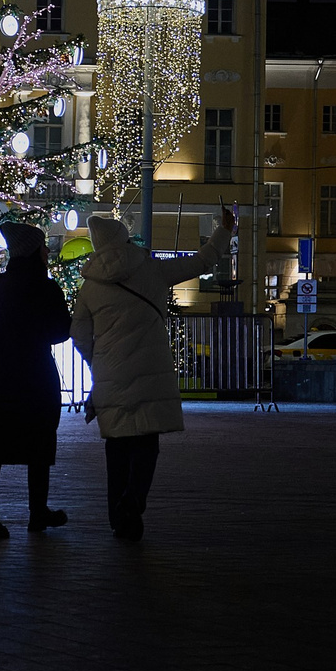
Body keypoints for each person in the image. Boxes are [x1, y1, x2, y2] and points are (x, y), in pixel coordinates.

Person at [70, 205, 237, 540]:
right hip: (151, 371)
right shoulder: (152, 269)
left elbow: (79, 335)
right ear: (124, 237)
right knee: (146, 444)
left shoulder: (90, 287)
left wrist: (97, 360)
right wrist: (224, 230)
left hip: (110, 375)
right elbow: (201, 261)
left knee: (116, 449)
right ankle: (133, 502)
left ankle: (118, 518)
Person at [0, 221, 72, 539]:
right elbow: (60, 331)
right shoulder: (46, 288)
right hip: (36, 380)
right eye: (43, 246)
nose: (47, 251)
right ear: (34, 251)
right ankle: (38, 512)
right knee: (39, 446)